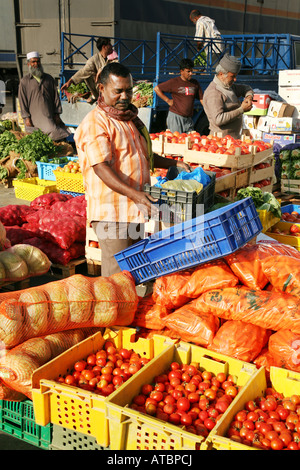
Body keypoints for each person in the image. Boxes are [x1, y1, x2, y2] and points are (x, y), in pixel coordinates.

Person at [74, 62, 191, 277]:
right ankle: (114, 310)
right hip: (112, 212)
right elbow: (100, 167)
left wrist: (173, 163)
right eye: (118, 91)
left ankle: (131, 309)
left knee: (133, 271)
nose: (125, 96)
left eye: (128, 90)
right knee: (116, 275)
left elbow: (142, 155)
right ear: (101, 88)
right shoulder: (96, 123)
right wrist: (135, 194)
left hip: (134, 209)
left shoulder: (129, 119)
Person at [18, 51, 70, 141]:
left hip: (49, 115)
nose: (36, 64)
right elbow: (22, 101)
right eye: (33, 62)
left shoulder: (49, 79)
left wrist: (57, 113)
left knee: (57, 132)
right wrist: (26, 118)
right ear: (28, 64)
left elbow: (56, 98)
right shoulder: (24, 81)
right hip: (33, 117)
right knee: (41, 135)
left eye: (38, 61)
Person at [203, 53, 254, 139]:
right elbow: (218, 119)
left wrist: (249, 97)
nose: (235, 79)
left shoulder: (228, 86)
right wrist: (241, 109)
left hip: (233, 138)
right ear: (221, 74)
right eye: (232, 76)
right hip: (221, 140)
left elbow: (246, 88)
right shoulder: (214, 92)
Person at [154, 58, 203, 134]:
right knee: (176, 141)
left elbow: (201, 98)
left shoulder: (195, 83)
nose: (191, 73)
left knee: (191, 141)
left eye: (191, 71)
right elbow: (157, 89)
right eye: (188, 71)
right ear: (181, 71)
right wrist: (168, 100)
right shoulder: (174, 82)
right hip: (175, 117)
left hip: (188, 119)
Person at [61, 37, 117, 103]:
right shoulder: (94, 60)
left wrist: (102, 69)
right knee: (88, 73)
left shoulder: (112, 57)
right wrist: (70, 81)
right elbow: (83, 71)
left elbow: (116, 66)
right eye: (109, 44)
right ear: (104, 47)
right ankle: (96, 96)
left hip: (112, 91)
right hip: (100, 90)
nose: (111, 46)